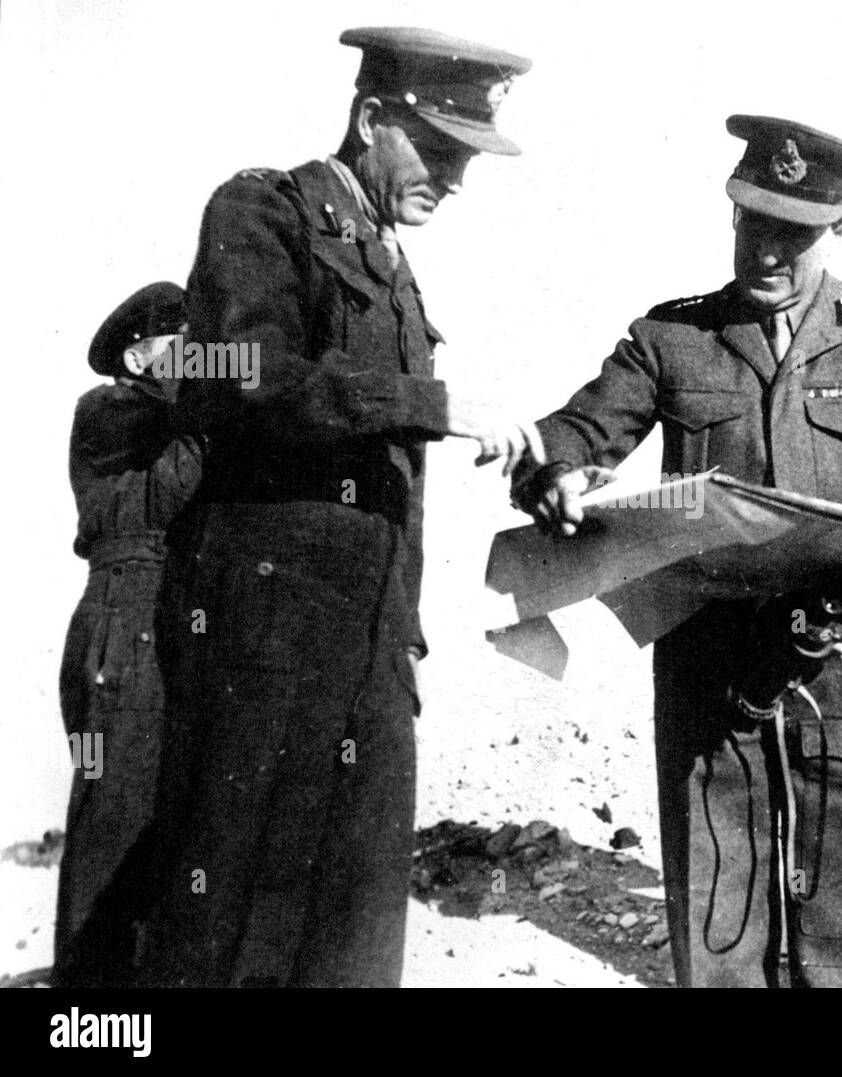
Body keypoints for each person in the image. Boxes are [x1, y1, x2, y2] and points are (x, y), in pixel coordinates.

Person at [514, 115, 842, 987]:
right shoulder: (670, 338)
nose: (766, 252)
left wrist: (839, 595)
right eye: (753, 224)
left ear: (839, 226)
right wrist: (556, 469)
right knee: (721, 904)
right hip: (711, 660)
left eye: (792, 234)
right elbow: (581, 429)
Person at [140, 27, 539, 988]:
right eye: (437, 150)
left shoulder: (389, 259)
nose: (451, 179)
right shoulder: (261, 210)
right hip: (266, 638)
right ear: (371, 119)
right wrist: (426, 404)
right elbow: (231, 375)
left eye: (464, 159)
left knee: (353, 937)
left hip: (368, 646)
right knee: (228, 922)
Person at [54, 282, 200, 987]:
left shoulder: (163, 410)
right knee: (110, 816)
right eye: (182, 344)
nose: (199, 358)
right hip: (122, 623)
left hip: (151, 623)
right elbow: (164, 483)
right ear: (138, 355)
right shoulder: (108, 411)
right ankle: (88, 1005)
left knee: (153, 822)